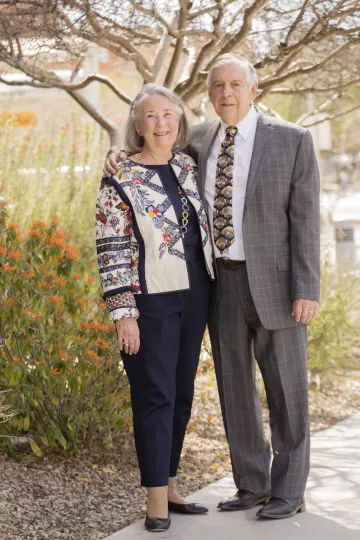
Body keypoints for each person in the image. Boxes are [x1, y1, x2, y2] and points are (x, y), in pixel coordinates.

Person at [104, 54, 320, 521]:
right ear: (208, 93)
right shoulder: (198, 141)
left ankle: (288, 488)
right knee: (235, 390)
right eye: (217, 85)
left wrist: (307, 288)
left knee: (287, 390)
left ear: (253, 88)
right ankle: (252, 483)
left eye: (235, 84)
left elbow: (305, 221)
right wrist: (120, 157)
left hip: (278, 286)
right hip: (218, 283)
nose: (226, 93)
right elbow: (146, 166)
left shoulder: (293, 141)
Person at [96, 83, 214, 532]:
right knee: (154, 396)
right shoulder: (119, 177)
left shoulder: (187, 164)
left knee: (182, 393)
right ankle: (155, 502)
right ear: (138, 125)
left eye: (169, 115)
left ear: (179, 121)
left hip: (197, 293)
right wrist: (124, 311)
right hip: (150, 299)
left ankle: (170, 482)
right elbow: (110, 247)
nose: (161, 124)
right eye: (151, 116)